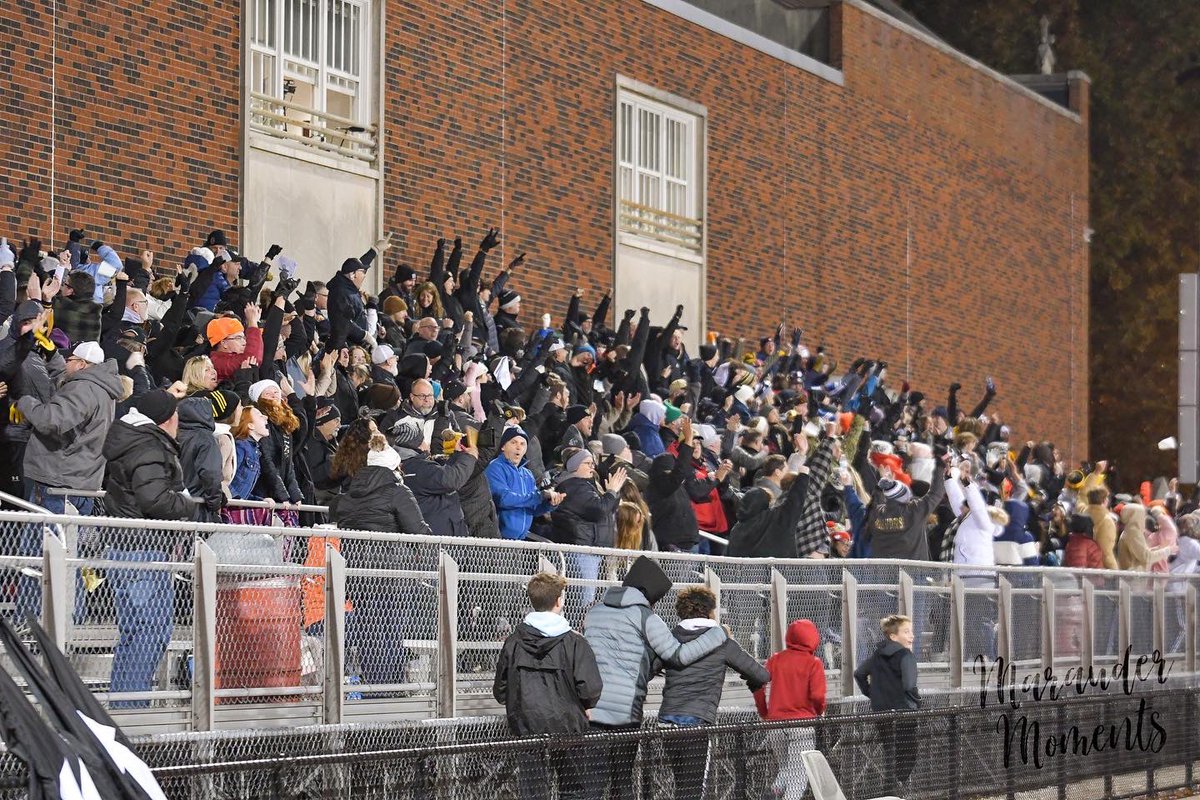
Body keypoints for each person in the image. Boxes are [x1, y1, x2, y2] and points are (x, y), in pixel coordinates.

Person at [583, 556, 728, 800]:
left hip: (591, 710)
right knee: (622, 784)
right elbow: (678, 656)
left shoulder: (594, 612)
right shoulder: (646, 617)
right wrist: (717, 635)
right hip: (625, 713)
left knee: (591, 785)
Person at [100, 389, 194, 707]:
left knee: (136, 632)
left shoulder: (133, 440)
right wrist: (189, 503)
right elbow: (154, 499)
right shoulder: (148, 445)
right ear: (167, 419)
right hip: (144, 549)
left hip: (128, 547)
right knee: (151, 631)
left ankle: (125, 703)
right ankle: (132, 706)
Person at [332, 433, 432, 688]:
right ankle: (388, 689)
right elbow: (418, 532)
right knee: (390, 633)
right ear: (393, 466)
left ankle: (374, 686)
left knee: (369, 632)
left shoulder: (349, 494)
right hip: (392, 576)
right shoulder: (398, 492)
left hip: (357, 576)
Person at [493, 572, 603, 800]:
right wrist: (586, 704)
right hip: (568, 725)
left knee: (533, 793)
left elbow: (501, 691)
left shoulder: (513, 642)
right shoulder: (575, 642)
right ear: (559, 601)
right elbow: (589, 688)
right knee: (573, 791)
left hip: (527, 725)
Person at [657, 586, 769, 800]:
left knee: (681, 787)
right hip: (697, 722)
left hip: (667, 720)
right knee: (693, 791)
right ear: (709, 611)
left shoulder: (672, 637)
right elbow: (761, 675)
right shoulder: (722, 642)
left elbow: (653, 665)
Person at [754, 619, 827, 800]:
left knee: (786, 767)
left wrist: (764, 712)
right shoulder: (813, 663)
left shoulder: (775, 659)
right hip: (802, 724)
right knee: (798, 777)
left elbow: (758, 685)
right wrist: (820, 712)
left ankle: (775, 791)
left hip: (775, 725)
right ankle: (781, 794)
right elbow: (818, 696)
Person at [854, 614, 920, 795]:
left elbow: (859, 674)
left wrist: (872, 694)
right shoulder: (906, 655)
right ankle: (897, 791)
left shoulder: (877, 655)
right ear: (893, 636)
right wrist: (917, 702)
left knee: (890, 754)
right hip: (904, 713)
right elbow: (909, 685)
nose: (912, 636)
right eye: (906, 632)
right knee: (908, 754)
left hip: (881, 712)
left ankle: (890, 792)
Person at [485, 427, 562, 540]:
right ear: (503, 446)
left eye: (522, 444)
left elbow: (533, 509)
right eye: (513, 442)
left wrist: (549, 504)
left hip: (520, 540)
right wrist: (540, 496)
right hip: (497, 538)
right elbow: (503, 499)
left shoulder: (527, 474)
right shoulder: (495, 467)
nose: (518, 447)